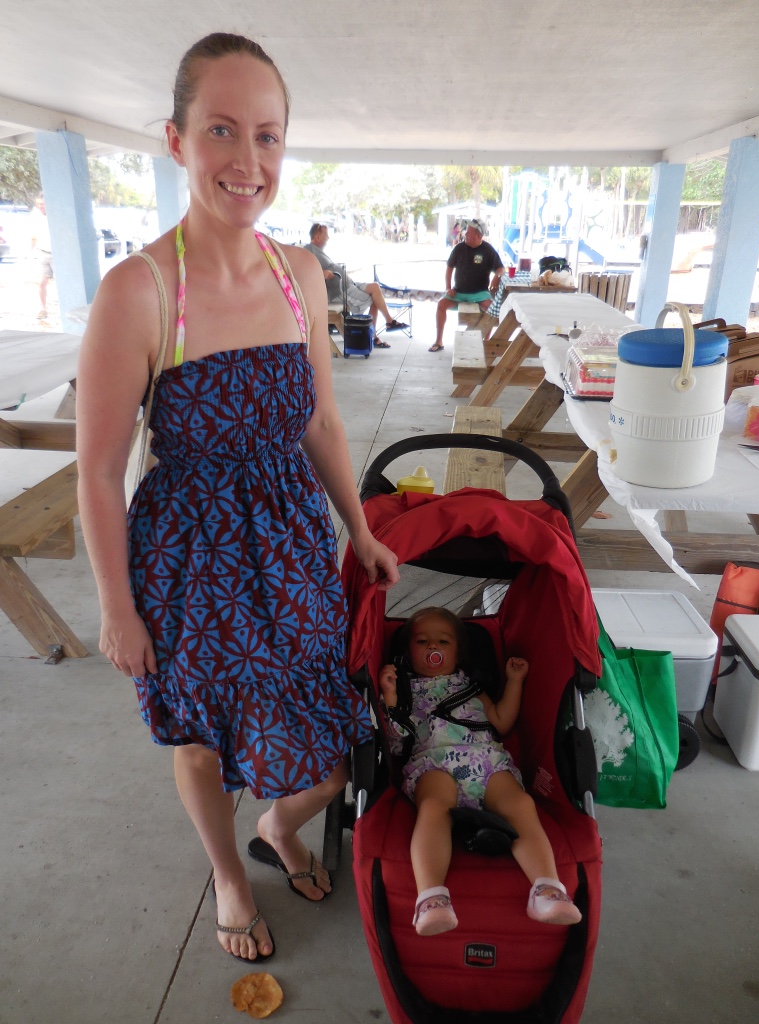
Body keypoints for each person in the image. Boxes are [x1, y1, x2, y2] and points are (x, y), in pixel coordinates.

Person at [76, 32, 399, 966]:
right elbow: (98, 470)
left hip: (292, 546)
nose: (247, 160)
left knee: (325, 743)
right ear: (176, 140)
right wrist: (116, 608)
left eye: (268, 135)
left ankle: (277, 825)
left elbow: (322, 422)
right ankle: (227, 872)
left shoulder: (301, 275)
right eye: (221, 130)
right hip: (189, 563)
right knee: (206, 743)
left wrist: (360, 530)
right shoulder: (139, 290)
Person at [378, 607, 582, 937]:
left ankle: (547, 889)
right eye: (422, 641)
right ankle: (431, 898)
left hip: (486, 761)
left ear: (459, 653)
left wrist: (514, 682)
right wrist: (389, 698)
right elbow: (397, 744)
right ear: (406, 652)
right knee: (433, 807)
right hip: (435, 762)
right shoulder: (405, 689)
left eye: (444, 642)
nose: (433, 647)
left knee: (521, 805)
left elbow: (501, 721)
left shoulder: (471, 687)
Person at [304, 223, 408, 348]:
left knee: (375, 287)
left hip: (349, 284)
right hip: (341, 291)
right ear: (317, 236)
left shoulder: (319, 252)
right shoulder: (308, 251)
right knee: (375, 301)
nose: (328, 238)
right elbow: (304, 272)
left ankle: (389, 322)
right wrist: (322, 273)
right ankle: (374, 337)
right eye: (326, 235)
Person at [430, 219, 504, 352]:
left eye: (468, 232)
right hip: (459, 292)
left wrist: (496, 277)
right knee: (441, 305)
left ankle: (485, 341)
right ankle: (438, 340)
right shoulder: (459, 248)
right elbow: (449, 268)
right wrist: (448, 288)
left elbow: (501, 269)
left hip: (480, 293)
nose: (465, 234)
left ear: (478, 236)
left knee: (492, 309)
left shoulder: (488, 249)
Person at [29, 195, 53, 320]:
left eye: (42, 204)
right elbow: (34, 235)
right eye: (38, 204)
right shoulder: (35, 215)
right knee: (42, 283)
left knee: (61, 283)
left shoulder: (54, 215)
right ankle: (43, 309)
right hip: (43, 252)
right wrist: (30, 252)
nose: (40, 206)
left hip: (56, 254)